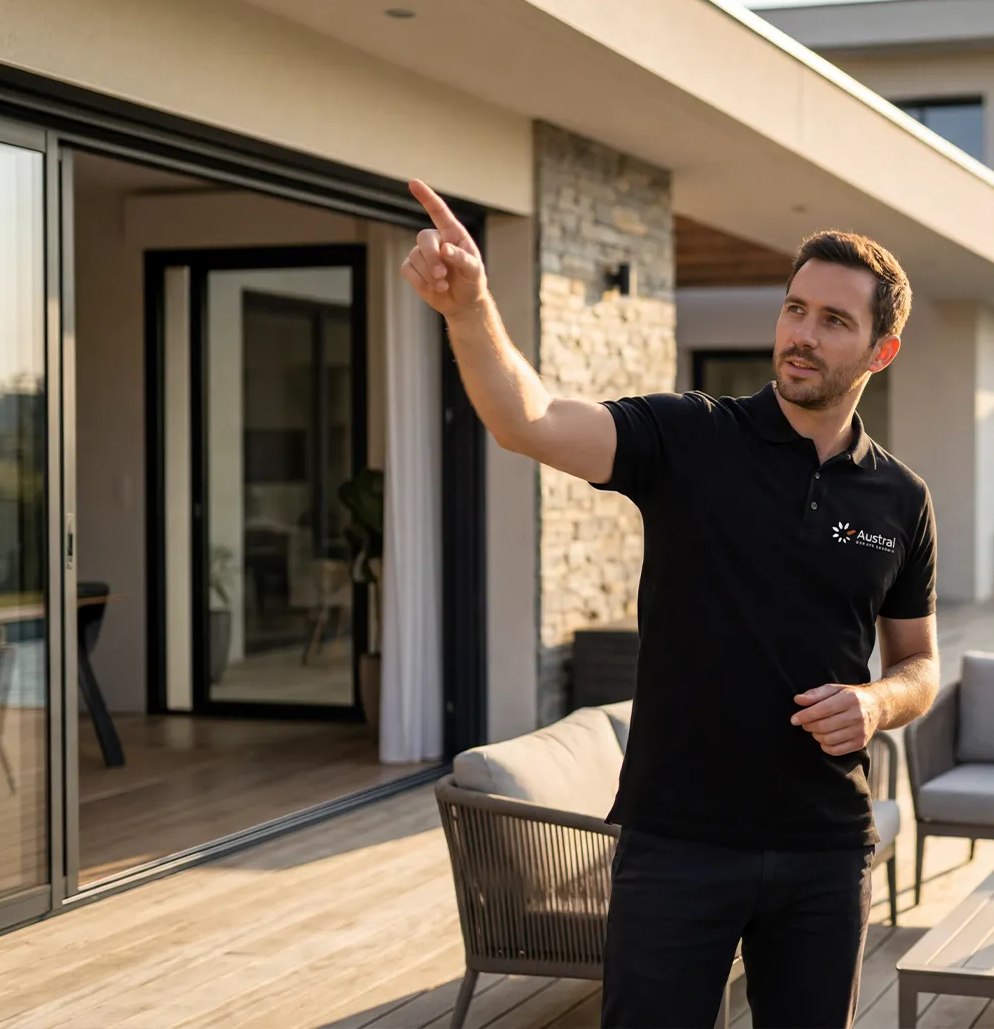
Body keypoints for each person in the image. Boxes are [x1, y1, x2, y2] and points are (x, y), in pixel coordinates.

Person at [399, 180, 940, 1029]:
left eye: (834, 320)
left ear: (882, 350)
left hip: (824, 846)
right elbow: (527, 419)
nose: (802, 334)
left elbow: (919, 663)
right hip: (678, 839)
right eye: (795, 309)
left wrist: (877, 703)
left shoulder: (900, 497)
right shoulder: (690, 437)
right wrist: (468, 308)